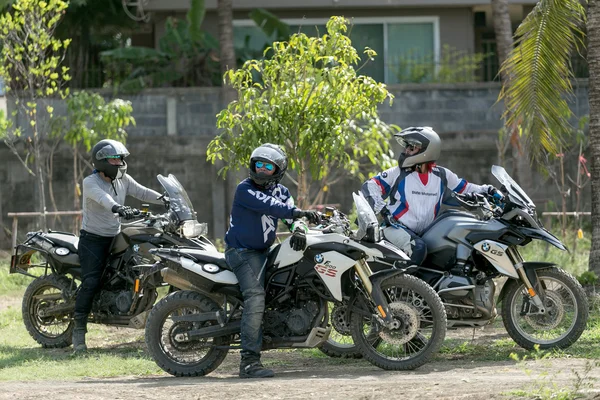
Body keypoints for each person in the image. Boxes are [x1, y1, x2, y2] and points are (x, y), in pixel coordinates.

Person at [225, 143, 320, 379]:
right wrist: (299, 214)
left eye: (268, 166)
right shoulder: (244, 189)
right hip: (242, 252)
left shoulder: (282, 192)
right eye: (259, 164)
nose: (262, 170)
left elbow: (290, 214)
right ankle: (248, 362)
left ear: (278, 169)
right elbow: (273, 207)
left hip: (266, 251)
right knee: (256, 296)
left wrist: (299, 229)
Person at [361, 126, 502, 266]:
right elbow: (370, 185)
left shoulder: (442, 175)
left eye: (411, 148)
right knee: (418, 248)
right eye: (407, 147)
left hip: (424, 234)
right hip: (395, 228)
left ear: (426, 151)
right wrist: (382, 209)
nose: (406, 151)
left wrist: (488, 190)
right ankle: (400, 287)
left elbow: (466, 188)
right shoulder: (397, 173)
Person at [72, 139, 163, 354]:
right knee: (91, 282)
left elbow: (143, 192)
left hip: (116, 236)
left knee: (137, 270)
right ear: (102, 161)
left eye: (121, 158)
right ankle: (78, 331)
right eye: (115, 158)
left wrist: (168, 199)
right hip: (93, 239)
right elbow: (104, 200)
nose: (121, 162)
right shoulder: (90, 182)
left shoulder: (123, 179)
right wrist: (119, 208)